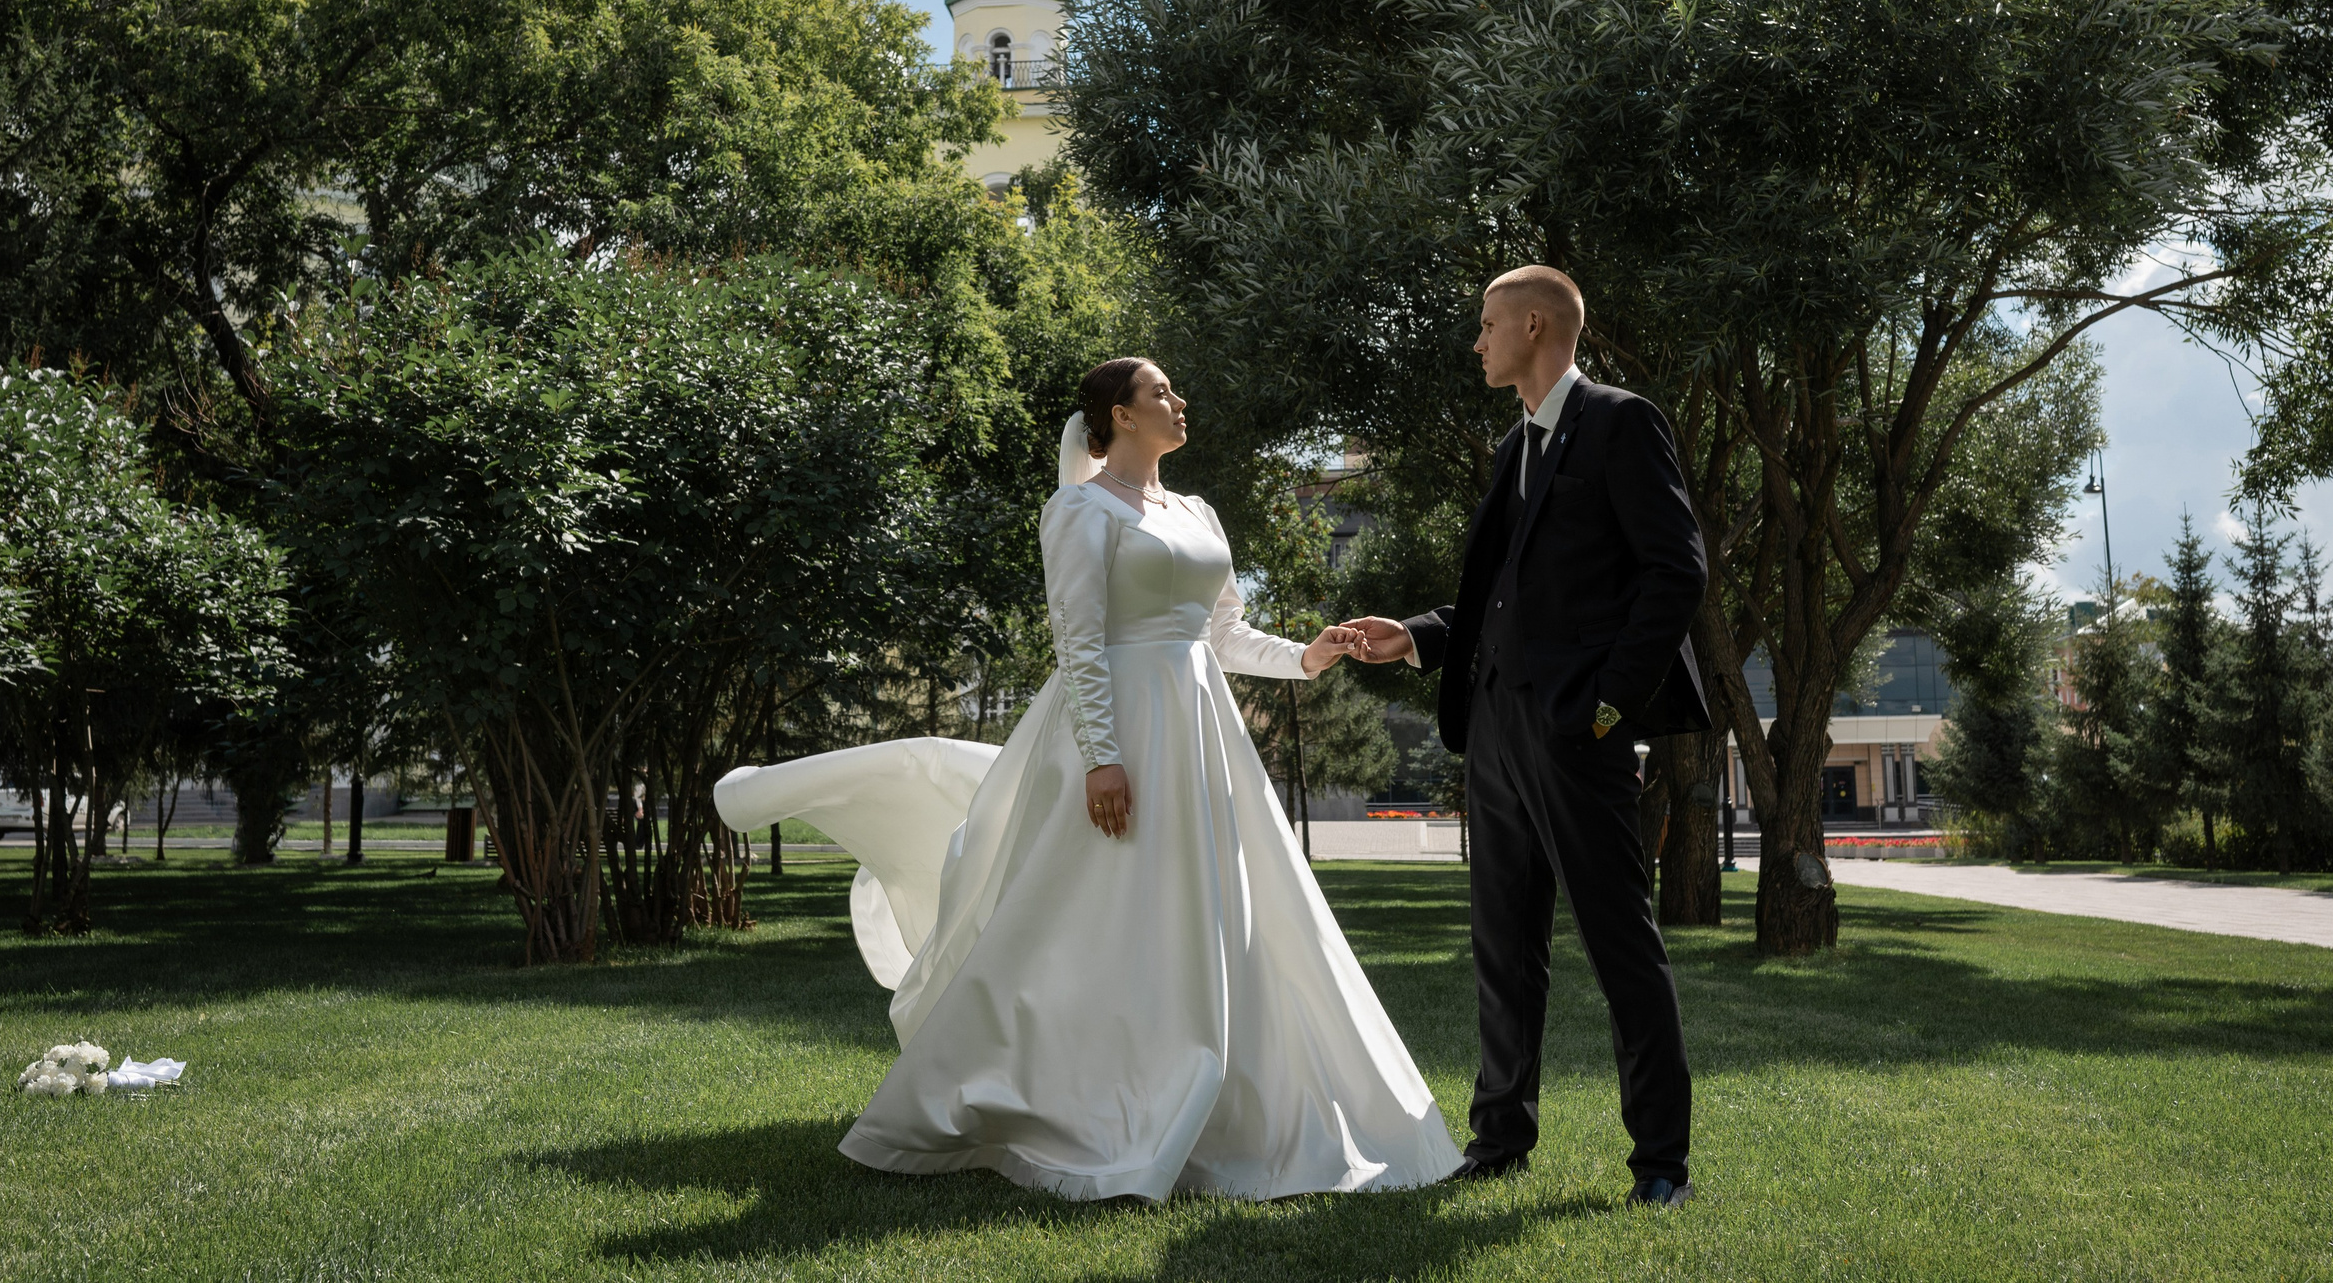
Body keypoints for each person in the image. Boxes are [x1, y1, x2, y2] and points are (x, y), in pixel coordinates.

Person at [716, 357, 1460, 1202]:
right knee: (1091, 913)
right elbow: (1078, 639)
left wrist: (1306, 656)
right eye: (1161, 393)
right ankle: (1060, 1096)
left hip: (1201, 734)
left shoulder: (1197, 511)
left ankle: (1226, 1100)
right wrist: (1103, 757)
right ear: (1121, 415)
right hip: (1118, 730)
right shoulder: (1079, 509)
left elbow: (1223, 634)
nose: (1180, 400)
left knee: (1221, 909)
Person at [1346, 265, 1711, 1209]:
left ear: (1536, 324)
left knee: (1619, 940)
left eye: (1487, 324)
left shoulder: (1622, 421)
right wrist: (1416, 637)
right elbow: (1505, 594)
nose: (1477, 342)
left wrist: (1606, 706)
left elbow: (1676, 572)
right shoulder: (1517, 443)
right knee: (1503, 945)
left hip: (1576, 730)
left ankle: (1661, 1164)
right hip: (1496, 728)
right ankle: (1500, 1137)